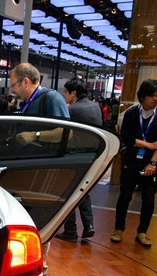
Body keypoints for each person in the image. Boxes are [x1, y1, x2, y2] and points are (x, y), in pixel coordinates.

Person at [9, 63, 70, 276]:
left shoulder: (51, 98)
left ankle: (40, 265)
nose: (12, 90)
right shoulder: (28, 102)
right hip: (27, 166)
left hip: (44, 167)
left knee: (40, 216)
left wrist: (35, 135)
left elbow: (66, 132)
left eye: (14, 85)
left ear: (26, 81)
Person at [55, 78, 103, 243]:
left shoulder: (73, 110)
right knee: (84, 190)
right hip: (92, 155)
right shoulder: (95, 106)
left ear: (73, 93)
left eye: (65, 92)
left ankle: (70, 230)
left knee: (67, 192)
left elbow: (64, 134)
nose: (64, 95)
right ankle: (89, 225)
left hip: (73, 156)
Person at [110, 79, 157, 247]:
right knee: (125, 196)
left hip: (151, 163)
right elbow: (127, 138)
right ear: (142, 97)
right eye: (152, 96)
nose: (155, 99)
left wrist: (152, 164)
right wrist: (148, 145)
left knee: (149, 199)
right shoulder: (130, 113)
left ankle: (142, 232)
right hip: (130, 160)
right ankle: (118, 229)